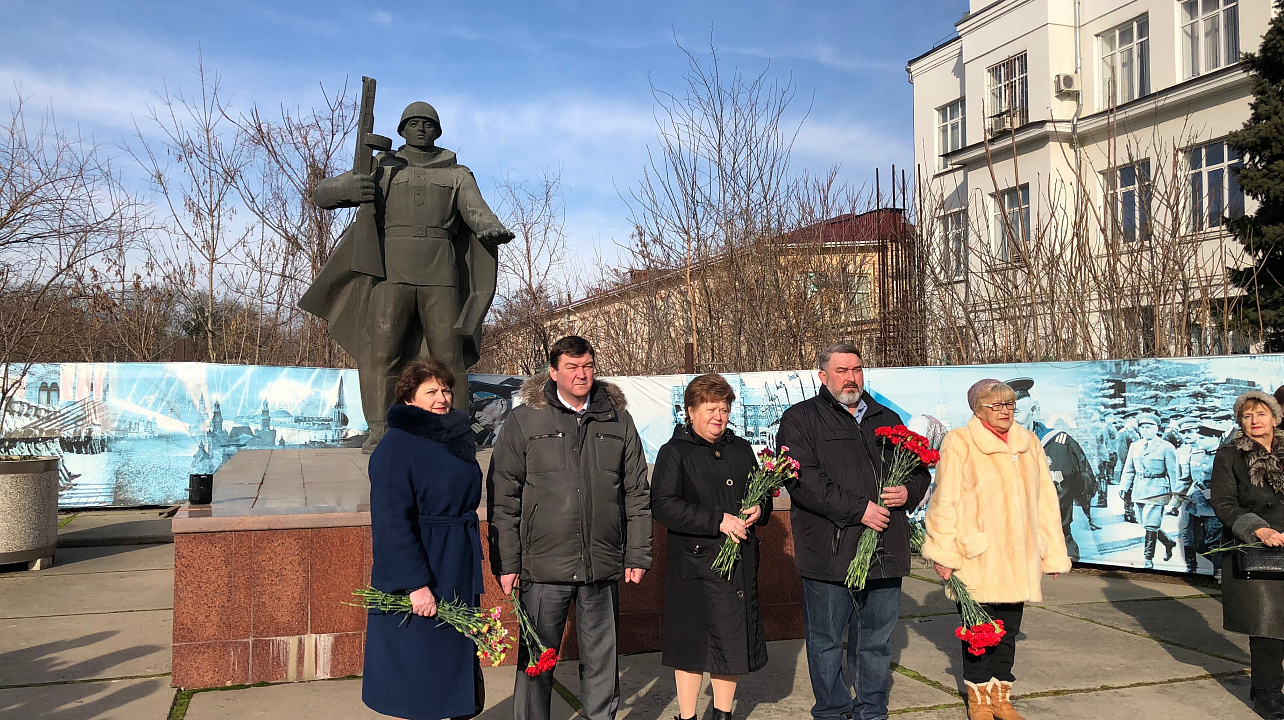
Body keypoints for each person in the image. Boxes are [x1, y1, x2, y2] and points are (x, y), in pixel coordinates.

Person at [301, 101, 515, 452]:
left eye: (428, 123)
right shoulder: (381, 168)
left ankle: (455, 427)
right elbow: (322, 194)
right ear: (401, 130)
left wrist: (491, 229)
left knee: (449, 356)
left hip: (440, 272)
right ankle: (380, 427)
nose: (420, 128)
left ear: (437, 131)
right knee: (381, 353)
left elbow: (478, 212)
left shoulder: (457, 174)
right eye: (413, 123)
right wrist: (351, 190)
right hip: (388, 272)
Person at [486, 335, 652, 720]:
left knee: (601, 664)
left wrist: (638, 553)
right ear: (553, 372)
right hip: (543, 569)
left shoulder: (617, 420)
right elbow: (503, 496)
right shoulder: (525, 420)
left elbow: (636, 494)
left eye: (588, 366)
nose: (582, 374)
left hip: (602, 564)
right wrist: (506, 563)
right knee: (537, 664)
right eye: (572, 367)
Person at [776, 343, 930, 720]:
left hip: (884, 550)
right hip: (830, 551)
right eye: (842, 370)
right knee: (826, 642)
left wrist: (908, 491)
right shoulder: (800, 419)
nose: (851, 377)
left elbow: (919, 469)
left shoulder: (885, 417)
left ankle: (871, 711)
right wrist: (859, 509)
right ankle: (831, 711)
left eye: (857, 369)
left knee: (875, 642)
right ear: (822, 375)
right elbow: (804, 481)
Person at [921, 379, 1071, 720]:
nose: (1005, 411)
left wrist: (1052, 553)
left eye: (1010, 405)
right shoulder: (960, 442)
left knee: (1009, 632)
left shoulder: (1028, 442)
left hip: (1019, 557)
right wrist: (943, 553)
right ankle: (979, 699)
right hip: (978, 556)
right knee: (979, 633)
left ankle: (1002, 697)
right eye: (997, 405)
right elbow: (946, 501)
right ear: (978, 409)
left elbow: (1046, 502)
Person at [363, 359, 485, 720]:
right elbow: (391, 522)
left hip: (456, 565)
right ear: (409, 399)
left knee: (453, 668)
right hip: (424, 570)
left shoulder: (455, 440)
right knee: (420, 679)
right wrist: (414, 584)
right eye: (431, 391)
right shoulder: (395, 447)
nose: (442, 398)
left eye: (446, 389)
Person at [650, 373, 770, 720]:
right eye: (709, 408)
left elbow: (759, 489)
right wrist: (716, 519)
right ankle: (687, 716)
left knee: (730, 643)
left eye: (724, 408)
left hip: (736, 564)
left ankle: (722, 714)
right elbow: (664, 504)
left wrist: (760, 507)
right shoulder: (675, 452)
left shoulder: (741, 448)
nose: (718, 416)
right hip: (695, 566)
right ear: (690, 410)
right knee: (691, 647)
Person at [1213, 390, 1284, 720]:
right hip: (1257, 548)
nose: (1254, 421)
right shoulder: (1229, 455)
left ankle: (1268, 686)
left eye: (1260, 414)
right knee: (1267, 626)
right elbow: (1224, 503)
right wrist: (1259, 528)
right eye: (1247, 416)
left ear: (1275, 417)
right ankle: (1268, 695)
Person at [1008, 378, 1098, 558]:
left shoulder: (1061, 444)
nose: (1010, 419)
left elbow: (1087, 486)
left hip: (1057, 543)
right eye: (1005, 414)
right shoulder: (994, 449)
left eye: (1016, 412)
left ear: (1032, 410)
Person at [1119, 413, 1179, 569]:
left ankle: (1148, 559)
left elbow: (1174, 475)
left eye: (1149, 427)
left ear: (1157, 428)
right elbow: (1129, 469)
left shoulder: (1166, 447)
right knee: (1144, 523)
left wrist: (1175, 497)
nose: (1145, 430)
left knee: (1151, 524)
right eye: (1142, 427)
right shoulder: (1135, 446)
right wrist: (1124, 487)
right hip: (1139, 489)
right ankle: (1169, 542)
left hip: (1158, 489)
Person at [1175, 418, 1225, 574]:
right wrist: (1174, 502)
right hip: (1195, 507)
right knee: (1193, 542)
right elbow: (1185, 480)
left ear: (1215, 438)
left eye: (1203, 438)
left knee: (1214, 543)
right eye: (1200, 437)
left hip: (1215, 509)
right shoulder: (1195, 454)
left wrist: (1215, 494)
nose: (1199, 440)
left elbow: (1234, 483)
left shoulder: (1225, 456)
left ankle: (1220, 574)